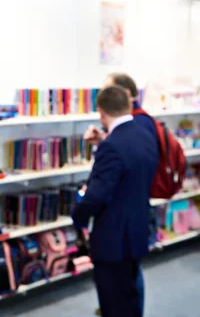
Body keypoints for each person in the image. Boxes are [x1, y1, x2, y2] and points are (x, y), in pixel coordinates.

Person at [73, 85, 159, 317]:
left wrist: (78, 215)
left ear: (101, 112)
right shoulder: (145, 134)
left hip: (113, 238)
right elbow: (129, 169)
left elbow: (96, 196)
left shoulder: (112, 146)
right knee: (130, 296)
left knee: (113, 302)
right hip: (137, 229)